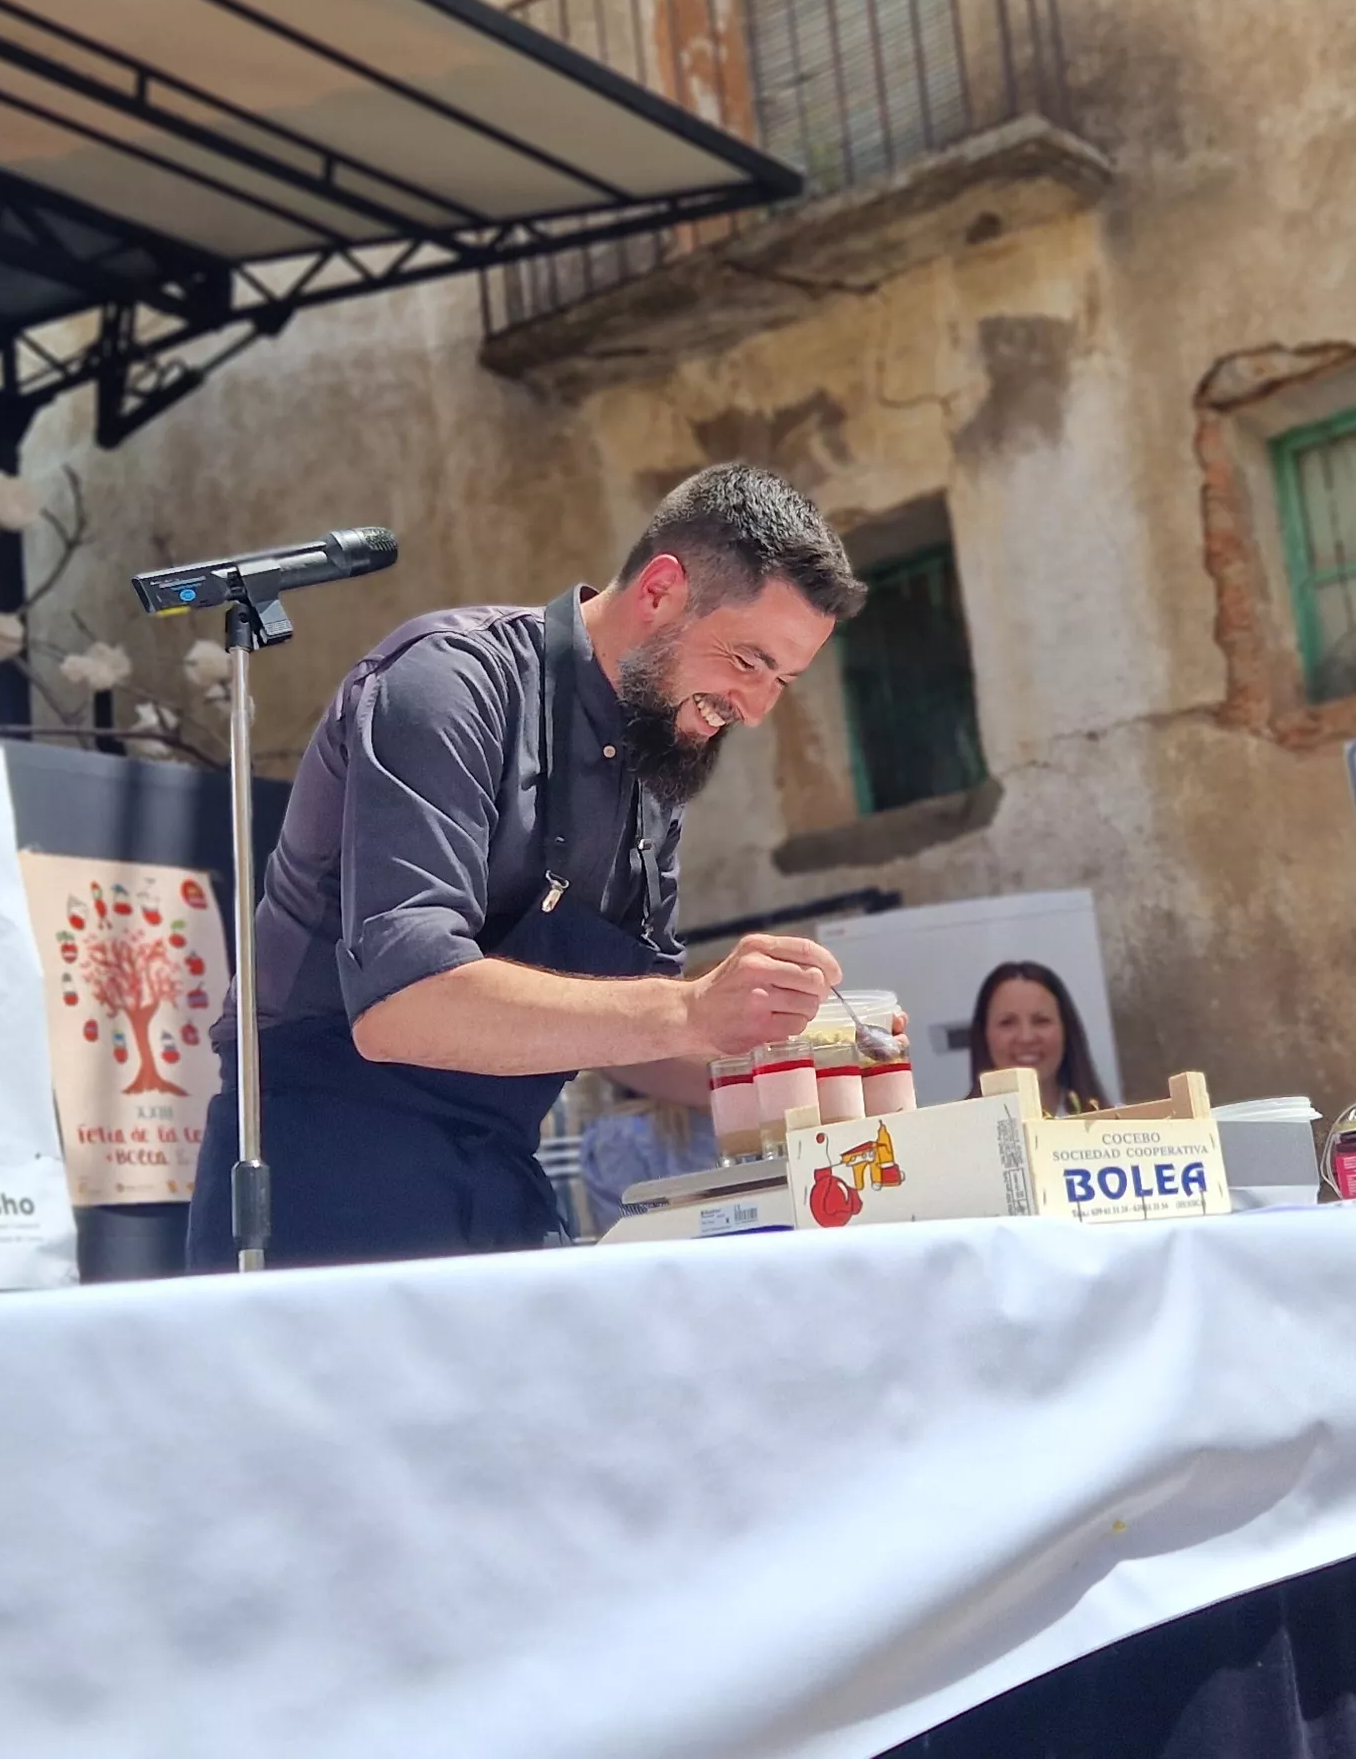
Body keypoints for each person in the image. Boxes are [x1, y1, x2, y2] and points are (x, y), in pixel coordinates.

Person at [190, 465, 866, 1268]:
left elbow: (635, 1036)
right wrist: (690, 1010)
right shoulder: (445, 684)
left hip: (496, 1179)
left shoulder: (656, 760)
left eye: (781, 682)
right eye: (747, 662)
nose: (754, 711)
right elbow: (403, 1006)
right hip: (322, 1183)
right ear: (659, 592)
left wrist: (798, 1066)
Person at [971, 961, 1111, 1115]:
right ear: (984, 1034)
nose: (1026, 1037)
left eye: (1041, 1021)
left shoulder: (1115, 1127)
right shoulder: (955, 1135)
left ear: (1066, 1030)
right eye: (1007, 1023)